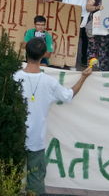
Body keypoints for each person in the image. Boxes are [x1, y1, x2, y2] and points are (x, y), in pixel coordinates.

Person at [14, 38, 92, 196]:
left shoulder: (14, 77)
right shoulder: (49, 82)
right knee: (35, 183)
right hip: (36, 140)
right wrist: (83, 77)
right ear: (44, 55)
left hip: (15, 137)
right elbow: (68, 95)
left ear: (25, 52)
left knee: (10, 180)